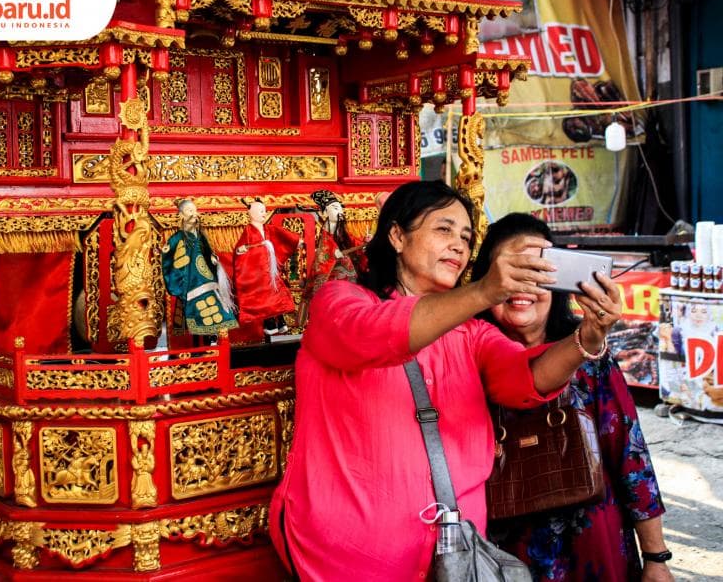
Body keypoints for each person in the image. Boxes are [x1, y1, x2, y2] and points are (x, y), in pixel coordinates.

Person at [269, 181, 623, 581]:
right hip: (349, 558)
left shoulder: (471, 333)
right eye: (443, 229)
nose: (458, 244)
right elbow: (374, 332)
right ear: (397, 235)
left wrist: (588, 337)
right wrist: (483, 291)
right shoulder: (340, 301)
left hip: (455, 556)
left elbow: (525, 377)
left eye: (466, 237)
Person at [472, 212, 673, 582]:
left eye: (539, 273)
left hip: (596, 546)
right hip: (504, 555)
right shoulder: (465, 357)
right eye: (514, 272)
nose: (525, 287)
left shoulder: (590, 356)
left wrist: (657, 558)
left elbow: (629, 454)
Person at [161, 198, 238, 336]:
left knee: (218, 308)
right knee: (201, 310)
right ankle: (203, 341)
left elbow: (207, 251)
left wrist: (213, 259)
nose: (194, 214)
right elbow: (167, 260)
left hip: (207, 277)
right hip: (191, 281)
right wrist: (179, 278)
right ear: (181, 215)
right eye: (190, 211)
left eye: (195, 210)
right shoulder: (176, 239)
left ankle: (214, 339)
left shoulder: (200, 235)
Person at [233, 198, 302, 336]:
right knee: (265, 299)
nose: (264, 214)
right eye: (261, 211)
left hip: (270, 269)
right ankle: (270, 324)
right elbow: (239, 248)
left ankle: (281, 321)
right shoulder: (248, 231)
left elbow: (283, 234)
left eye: (265, 211)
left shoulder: (268, 229)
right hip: (258, 272)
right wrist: (241, 250)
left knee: (276, 294)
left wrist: (295, 240)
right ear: (251, 213)